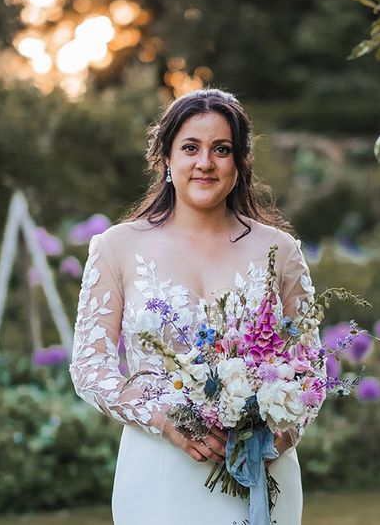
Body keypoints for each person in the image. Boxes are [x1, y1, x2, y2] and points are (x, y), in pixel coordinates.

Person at [69, 88, 320, 525]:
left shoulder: (279, 250)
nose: (205, 162)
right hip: (161, 470)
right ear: (166, 158)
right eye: (190, 148)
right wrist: (164, 418)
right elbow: (90, 368)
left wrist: (280, 433)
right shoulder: (117, 247)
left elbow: (311, 365)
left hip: (261, 468)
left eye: (221, 150)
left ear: (239, 163)